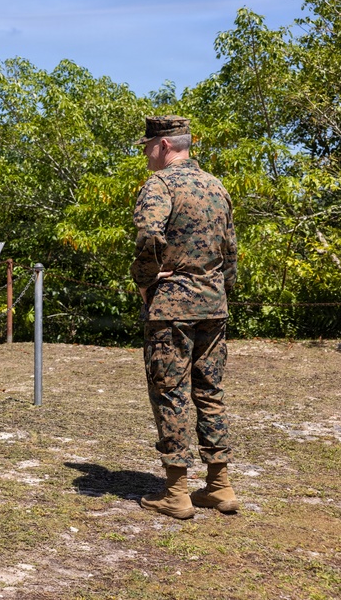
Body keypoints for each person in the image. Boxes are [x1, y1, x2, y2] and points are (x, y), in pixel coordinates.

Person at [130, 115, 240, 520]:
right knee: (210, 391)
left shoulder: (159, 185)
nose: (145, 154)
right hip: (214, 304)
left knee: (170, 392)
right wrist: (221, 290)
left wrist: (144, 279)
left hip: (172, 308)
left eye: (147, 146)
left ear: (163, 145)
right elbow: (230, 251)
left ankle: (175, 492)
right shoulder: (217, 186)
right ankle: (219, 485)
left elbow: (149, 235)